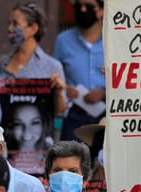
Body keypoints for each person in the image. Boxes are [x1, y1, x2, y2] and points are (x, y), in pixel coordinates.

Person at [0, 2, 67, 115]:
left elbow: (60, 112)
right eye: (9, 23)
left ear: (33, 28)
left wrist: (59, 93)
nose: (9, 29)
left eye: (15, 24)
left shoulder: (52, 66)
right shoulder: (1, 63)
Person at [54, 0, 106, 141]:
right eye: (78, 6)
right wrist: (64, 88)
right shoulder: (63, 40)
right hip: (74, 115)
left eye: (88, 7)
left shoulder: (111, 40)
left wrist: (104, 93)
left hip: (107, 115)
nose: (83, 10)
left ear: (101, 11)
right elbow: (55, 76)